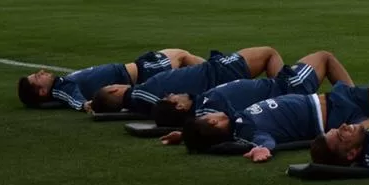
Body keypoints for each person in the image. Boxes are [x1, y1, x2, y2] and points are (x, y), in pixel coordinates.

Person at [177, 81, 369, 163]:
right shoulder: (246, 132)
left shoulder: (235, 116)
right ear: (214, 125)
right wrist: (262, 150)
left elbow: (202, 137)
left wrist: (182, 134)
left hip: (340, 96)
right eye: (208, 118)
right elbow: (264, 141)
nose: (211, 114)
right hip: (342, 122)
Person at [151, 50, 353, 127]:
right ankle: (354, 99)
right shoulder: (210, 110)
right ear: (180, 107)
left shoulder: (202, 105)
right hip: (287, 88)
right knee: (324, 57)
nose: (172, 93)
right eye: (171, 98)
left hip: (280, 88)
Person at [91, 47, 284, 115]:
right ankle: (286, 95)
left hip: (213, 75)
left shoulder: (139, 101)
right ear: (114, 90)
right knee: (269, 53)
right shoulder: (145, 93)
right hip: (218, 72)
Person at [16, 48, 204, 112]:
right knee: (181, 55)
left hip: (137, 67)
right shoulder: (60, 88)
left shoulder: (61, 82)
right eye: (38, 77)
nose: (42, 72)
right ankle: (215, 71)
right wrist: (84, 105)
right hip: (141, 72)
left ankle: (210, 73)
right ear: (42, 91)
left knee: (183, 60)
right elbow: (72, 97)